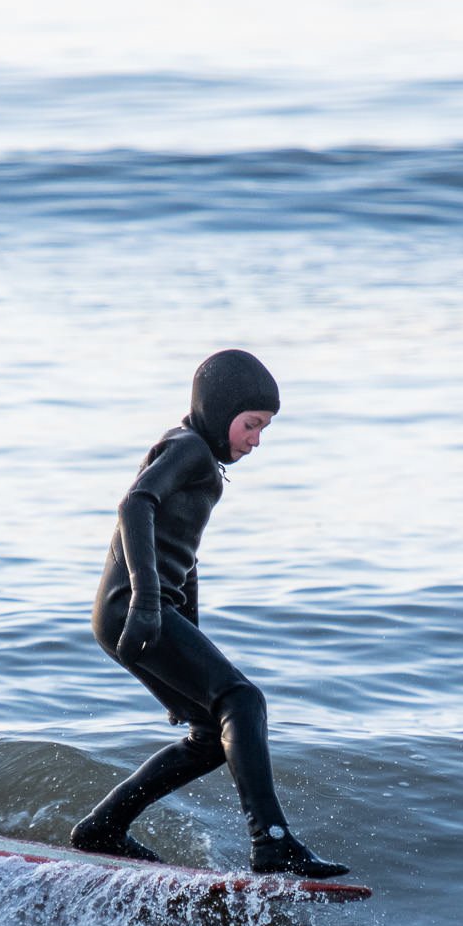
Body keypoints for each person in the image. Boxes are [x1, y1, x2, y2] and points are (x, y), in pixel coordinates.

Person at [71, 349, 351, 879]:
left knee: (210, 735)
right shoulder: (190, 449)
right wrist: (149, 603)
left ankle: (103, 828)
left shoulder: (196, 455)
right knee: (243, 700)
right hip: (134, 609)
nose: (256, 440)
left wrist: (186, 633)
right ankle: (271, 843)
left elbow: (184, 558)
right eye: (251, 425)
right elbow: (135, 505)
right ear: (222, 411)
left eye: (264, 429)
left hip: (132, 612)